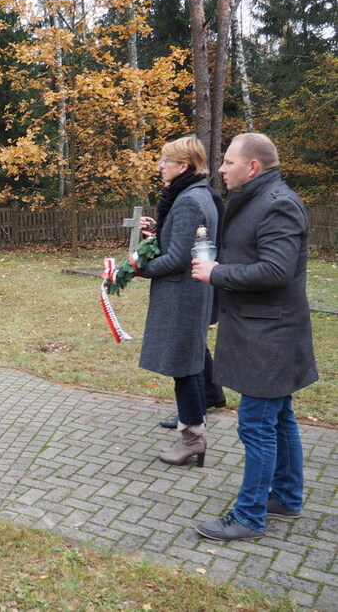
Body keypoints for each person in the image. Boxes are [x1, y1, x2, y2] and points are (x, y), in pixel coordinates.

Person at [192, 132, 318, 541]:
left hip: (271, 337)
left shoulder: (277, 205)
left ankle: (249, 517)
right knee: (280, 420)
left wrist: (217, 274)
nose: (222, 169)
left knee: (257, 426)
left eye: (228, 162)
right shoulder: (254, 201)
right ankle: (286, 497)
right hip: (259, 331)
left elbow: (276, 271)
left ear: (253, 167)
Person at [137, 135, 219, 467]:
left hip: (182, 296)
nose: (160, 166)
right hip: (193, 293)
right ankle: (193, 430)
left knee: (184, 369)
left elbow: (175, 260)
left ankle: (192, 439)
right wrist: (159, 229)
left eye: (165, 161)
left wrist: (139, 268)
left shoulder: (188, 200)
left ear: (183, 166)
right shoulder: (198, 194)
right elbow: (184, 242)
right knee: (192, 363)